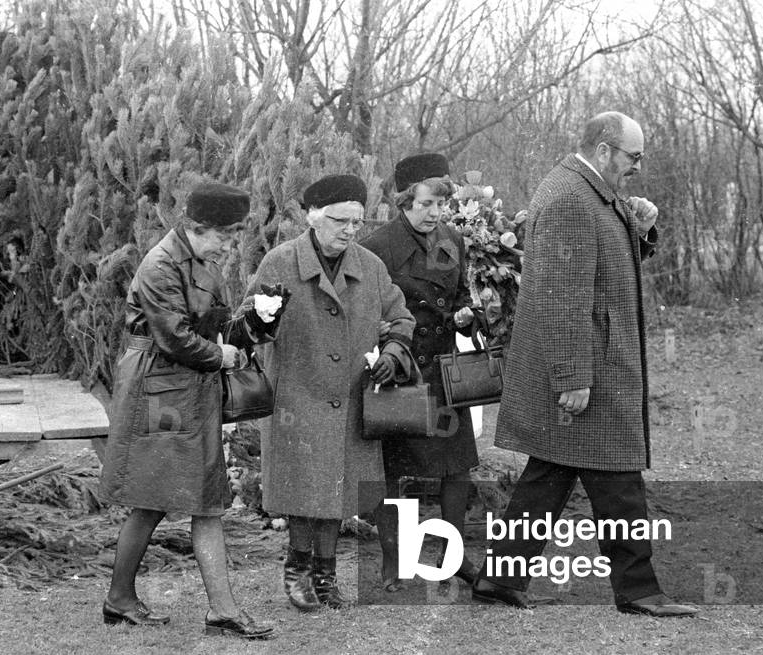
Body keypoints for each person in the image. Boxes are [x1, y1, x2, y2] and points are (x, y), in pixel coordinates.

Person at [471, 111, 697, 617]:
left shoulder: (591, 191)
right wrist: (572, 377)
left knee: (550, 474)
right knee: (617, 474)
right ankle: (638, 590)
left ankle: (500, 580)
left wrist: (641, 228)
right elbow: (562, 299)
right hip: (587, 368)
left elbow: (603, 266)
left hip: (596, 361)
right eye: (633, 157)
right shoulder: (572, 199)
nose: (638, 167)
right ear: (603, 150)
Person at [99, 182, 282, 639]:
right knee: (163, 497)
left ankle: (147, 602)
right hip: (158, 388)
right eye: (224, 235)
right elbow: (174, 338)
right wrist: (223, 356)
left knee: (191, 498)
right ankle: (144, 602)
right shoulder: (160, 264)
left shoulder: (202, 261)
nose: (229, 245)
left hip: (184, 386)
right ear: (197, 227)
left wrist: (257, 321)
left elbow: (214, 326)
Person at [243, 173, 415, 610]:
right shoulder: (280, 262)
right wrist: (262, 319)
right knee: (305, 489)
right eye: (341, 221)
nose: (350, 230)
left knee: (337, 490)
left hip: (351, 397)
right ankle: (298, 568)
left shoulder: (370, 267)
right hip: (296, 398)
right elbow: (246, 326)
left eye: (357, 222)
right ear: (312, 217)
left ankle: (325, 572)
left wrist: (393, 354)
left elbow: (401, 318)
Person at [360, 153, 480, 591]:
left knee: (456, 467)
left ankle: (453, 557)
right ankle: (395, 560)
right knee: (395, 471)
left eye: (441, 205)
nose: (435, 214)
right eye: (427, 204)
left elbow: (461, 294)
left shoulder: (452, 239)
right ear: (404, 200)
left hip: (444, 371)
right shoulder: (377, 246)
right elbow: (365, 308)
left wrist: (465, 316)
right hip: (401, 370)